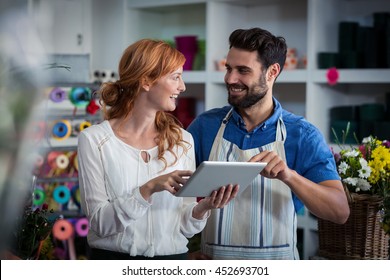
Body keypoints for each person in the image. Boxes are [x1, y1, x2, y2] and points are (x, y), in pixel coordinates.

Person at [187, 27, 350, 260]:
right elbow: (170, 198)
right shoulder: (205, 127)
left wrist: (289, 176)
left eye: (243, 70)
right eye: (228, 68)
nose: (230, 79)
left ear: (272, 72)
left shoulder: (302, 135)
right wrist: (181, 256)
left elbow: (339, 211)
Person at [77, 39, 238, 260]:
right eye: (175, 77)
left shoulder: (183, 141)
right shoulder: (94, 140)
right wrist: (149, 188)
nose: (182, 87)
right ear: (146, 81)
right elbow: (100, 224)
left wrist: (203, 208)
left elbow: (183, 225)